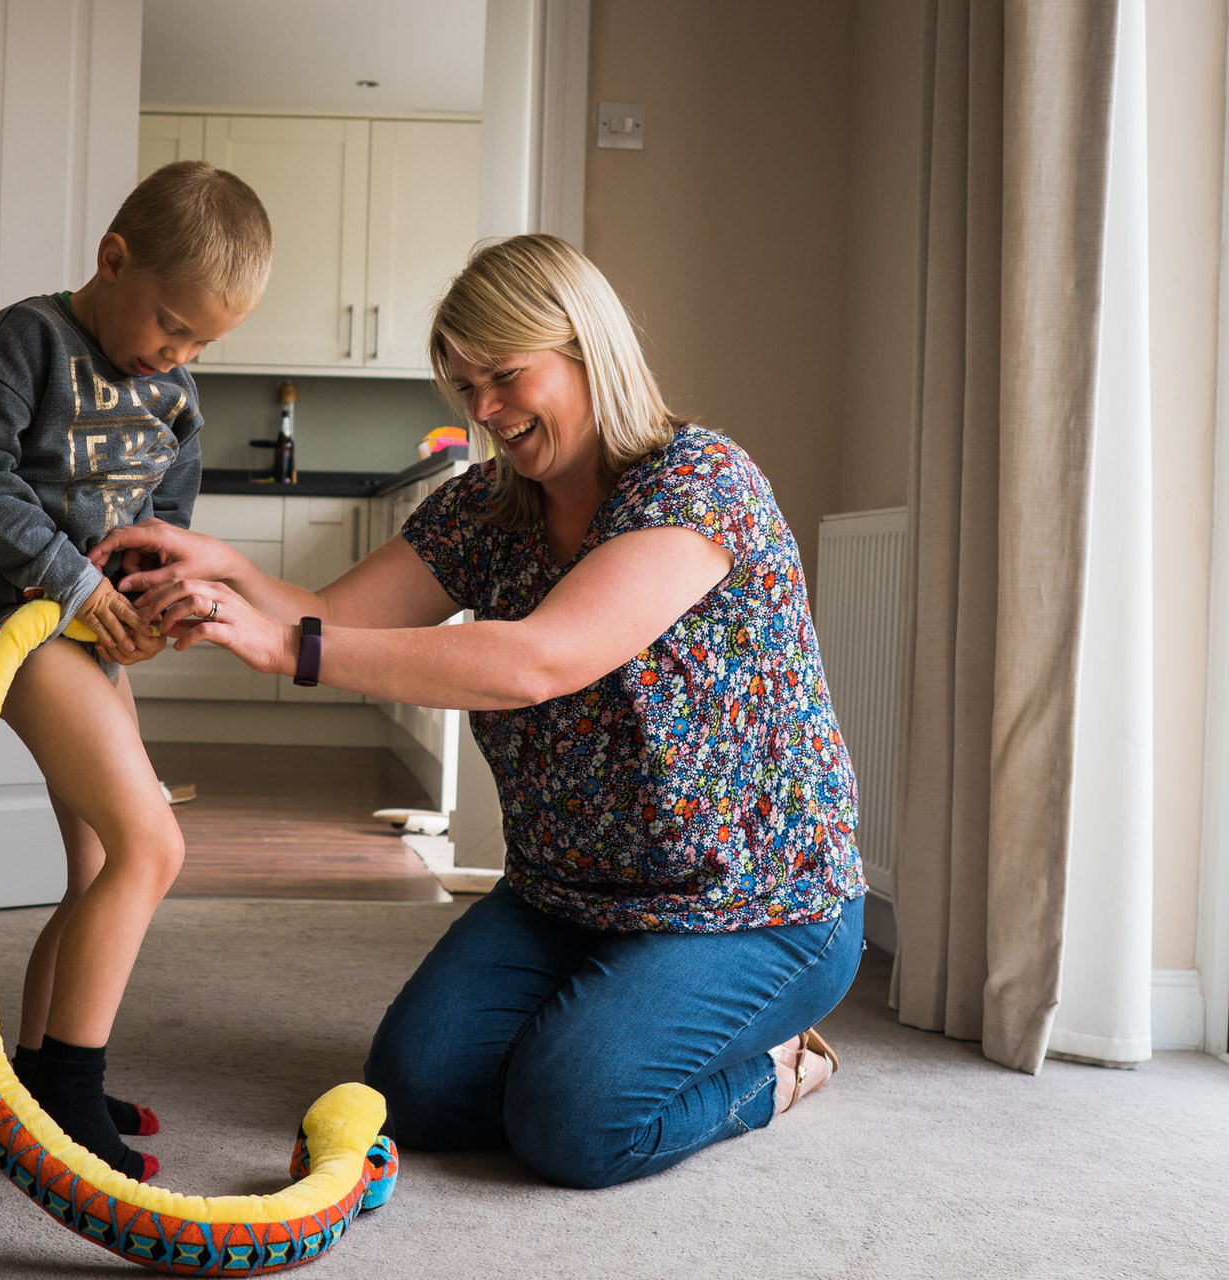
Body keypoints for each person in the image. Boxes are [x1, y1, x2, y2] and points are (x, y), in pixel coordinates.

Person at [89, 233, 866, 1189]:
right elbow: (336, 615)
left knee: (571, 1124)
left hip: (753, 905)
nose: (486, 412)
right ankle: (615, 1019)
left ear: (586, 349)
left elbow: (537, 660)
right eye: (465, 388)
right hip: (565, 894)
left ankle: (778, 1068)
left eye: (504, 375)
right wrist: (226, 569)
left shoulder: (701, 485)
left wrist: (286, 645)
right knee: (412, 1093)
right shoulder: (487, 505)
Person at [0, 159, 271, 1182]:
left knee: (100, 865)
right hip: (28, 627)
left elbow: (171, 524)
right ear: (113, 260)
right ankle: (73, 1089)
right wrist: (74, 587)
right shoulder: (29, 339)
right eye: (172, 323)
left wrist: (162, 598)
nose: (181, 352)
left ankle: (34, 1074)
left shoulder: (175, 391)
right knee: (149, 846)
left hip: (98, 636)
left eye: (205, 339)